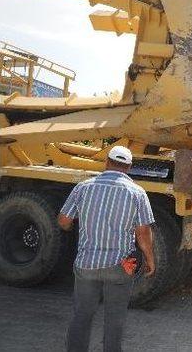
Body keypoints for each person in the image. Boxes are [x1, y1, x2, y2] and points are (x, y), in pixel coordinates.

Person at [57, 145, 155, 352]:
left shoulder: (83, 187)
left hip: (86, 266)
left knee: (81, 317)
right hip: (120, 267)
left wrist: (75, 224)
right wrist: (150, 259)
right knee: (115, 321)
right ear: (129, 167)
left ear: (107, 162)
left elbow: (64, 221)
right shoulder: (137, 193)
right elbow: (142, 232)